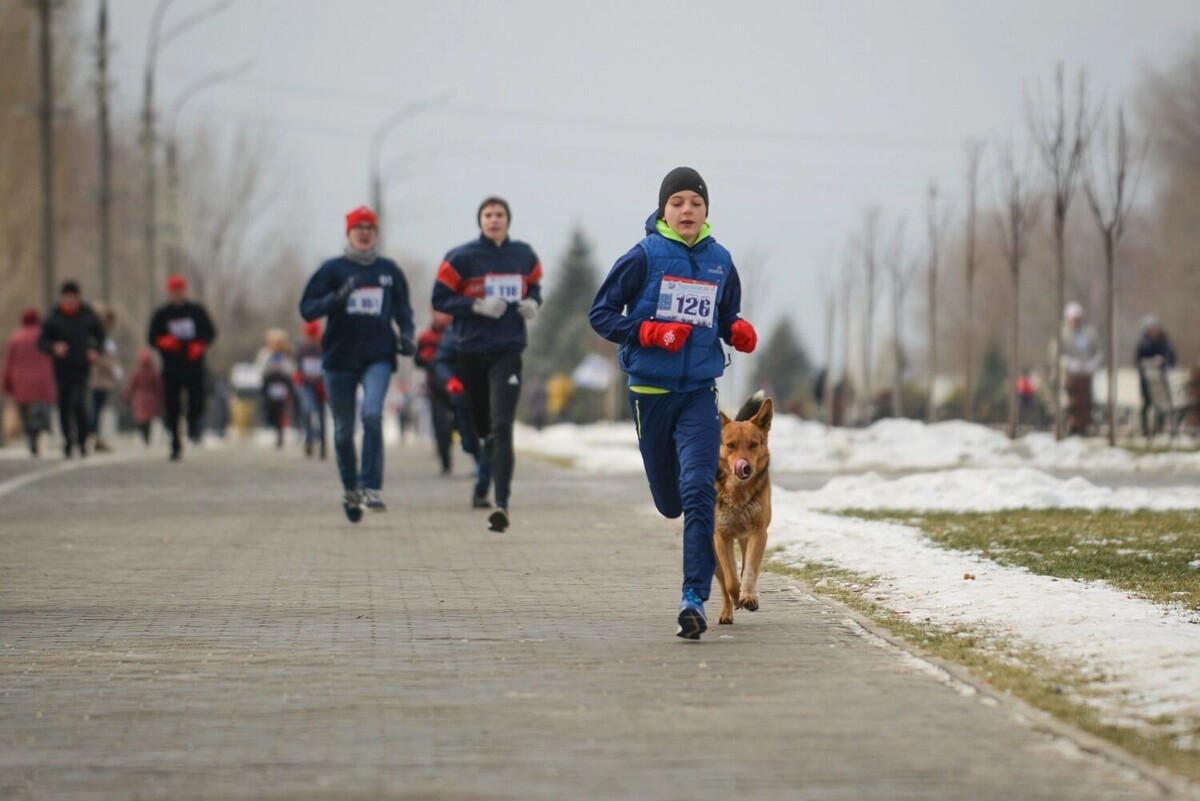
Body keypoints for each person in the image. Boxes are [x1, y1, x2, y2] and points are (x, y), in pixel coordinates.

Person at [589, 167, 758, 640]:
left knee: (700, 488)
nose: (687, 210)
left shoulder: (720, 260)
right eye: (678, 201)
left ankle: (692, 599)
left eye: (696, 203)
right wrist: (647, 332)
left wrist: (736, 331)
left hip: (699, 394)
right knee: (670, 502)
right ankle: (691, 582)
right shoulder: (642, 257)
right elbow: (600, 314)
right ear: (663, 209)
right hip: (651, 394)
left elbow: (727, 315)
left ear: (706, 211)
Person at [432, 196, 543, 533]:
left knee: (503, 425)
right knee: (482, 429)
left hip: (508, 349)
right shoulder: (461, 257)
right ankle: (485, 449)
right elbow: (440, 298)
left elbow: (535, 287)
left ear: (508, 220)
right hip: (471, 350)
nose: (494, 219)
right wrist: (477, 305)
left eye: (499, 214)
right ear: (479, 220)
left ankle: (501, 503)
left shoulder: (523, 255)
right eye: (488, 214)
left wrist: (532, 303)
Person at [299, 205, 415, 523]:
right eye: (358, 228)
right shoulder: (333, 270)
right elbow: (307, 309)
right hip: (339, 359)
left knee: (373, 415)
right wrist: (336, 298)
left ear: (376, 234)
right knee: (342, 432)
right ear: (348, 233)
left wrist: (406, 334)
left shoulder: (389, 271)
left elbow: (403, 309)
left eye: (369, 228)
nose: (364, 233)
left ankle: (370, 487)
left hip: (377, 355)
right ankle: (351, 489)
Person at [148, 274, 217, 460]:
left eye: (180, 291)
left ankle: (193, 424)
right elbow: (152, 337)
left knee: (197, 401)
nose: (177, 294)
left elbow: (210, 332)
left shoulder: (196, 312)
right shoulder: (162, 315)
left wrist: (200, 344)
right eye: (174, 291)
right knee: (172, 405)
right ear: (170, 293)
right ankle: (175, 443)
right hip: (171, 367)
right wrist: (164, 342)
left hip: (194, 366)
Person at [39, 280, 105, 458]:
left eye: (73, 297)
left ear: (78, 297)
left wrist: (95, 350)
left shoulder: (87, 314)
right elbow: (42, 342)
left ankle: (82, 441)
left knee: (79, 404)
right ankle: (68, 441)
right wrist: (54, 347)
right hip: (61, 368)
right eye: (67, 297)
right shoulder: (54, 317)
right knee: (64, 405)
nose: (70, 300)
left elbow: (101, 335)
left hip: (82, 367)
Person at [433, 323, 493, 508]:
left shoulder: (499, 325)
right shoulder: (457, 328)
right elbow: (442, 361)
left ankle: (482, 486)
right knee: (468, 441)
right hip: (463, 395)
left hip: (491, 393)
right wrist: (450, 380)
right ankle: (478, 457)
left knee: (493, 438)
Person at [2, 308, 57, 456]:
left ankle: (32, 439)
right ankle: (42, 433)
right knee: (42, 412)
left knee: (27, 416)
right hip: (43, 382)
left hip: (21, 384)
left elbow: (8, 364)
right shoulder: (46, 337)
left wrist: (6, 385)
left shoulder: (15, 339)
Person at [414, 311, 455, 474]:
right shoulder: (425, 337)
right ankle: (445, 461)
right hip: (435, 388)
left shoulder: (455, 333)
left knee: (456, 423)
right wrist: (426, 359)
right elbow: (417, 360)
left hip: (455, 386)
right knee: (440, 426)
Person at [1057, 301, 1102, 436]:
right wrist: (1068, 363)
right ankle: (1072, 424)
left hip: (1086, 374)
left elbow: (1098, 351)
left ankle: (1085, 424)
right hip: (1070, 374)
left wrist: (1092, 363)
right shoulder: (1063, 334)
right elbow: (1057, 354)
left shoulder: (1089, 333)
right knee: (1072, 400)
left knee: (1085, 400)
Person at [1135, 314, 1177, 438]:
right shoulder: (1144, 344)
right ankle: (1145, 428)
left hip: (1161, 378)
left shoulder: (1164, 342)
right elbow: (1138, 361)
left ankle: (1160, 426)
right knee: (1146, 403)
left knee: (1162, 402)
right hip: (1146, 380)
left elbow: (1171, 357)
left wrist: (1165, 364)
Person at [88, 303, 123, 452]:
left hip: (106, 380)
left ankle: (97, 437)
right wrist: (111, 368)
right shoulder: (96, 335)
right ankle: (92, 437)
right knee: (94, 409)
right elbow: (97, 357)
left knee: (99, 409)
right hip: (97, 379)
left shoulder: (106, 336)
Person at [294, 320, 327, 459]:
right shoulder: (302, 349)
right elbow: (298, 367)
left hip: (321, 386)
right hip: (307, 385)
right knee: (307, 410)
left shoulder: (323, 348)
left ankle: (323, 444)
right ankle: (309, 440)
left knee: (321, 416)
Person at [123, 347, 163, 445]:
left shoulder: (137, 371)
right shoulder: (153, 371)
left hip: (139, 397)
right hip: (151, 397)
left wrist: (127, 395)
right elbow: (158, 386)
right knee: (148, 420)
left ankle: (144, 436)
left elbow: (131, 384)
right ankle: (147, 436)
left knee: (141, 419)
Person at [261, 349, 295, 450]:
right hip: (272, 401)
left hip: (282, 401)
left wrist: (289, 398)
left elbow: (290, 388)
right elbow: (264, 389)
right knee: (273, 419)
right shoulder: (268, 377)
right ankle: (277, 435)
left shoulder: (285, 377)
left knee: (280, 420)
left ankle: (280, 438)